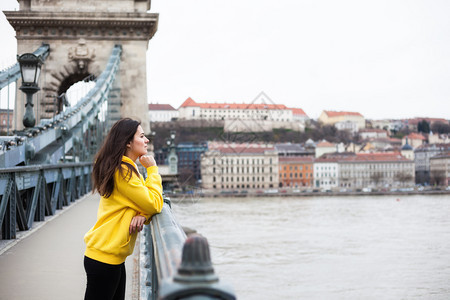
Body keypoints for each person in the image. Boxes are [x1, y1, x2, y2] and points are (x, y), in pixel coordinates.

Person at [83, 118, 164, 300]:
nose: (147, 140)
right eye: (142, 136)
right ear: (128, 142)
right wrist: (152, 170)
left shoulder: (124, 167)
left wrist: (142, 214)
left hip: (111, 257)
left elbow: (143, 202)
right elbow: (153, 202)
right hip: (105, 259)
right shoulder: (123, 172)